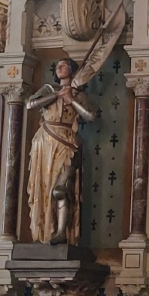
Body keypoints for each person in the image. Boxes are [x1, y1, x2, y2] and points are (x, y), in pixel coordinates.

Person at [26, 59, 97, 245]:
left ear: (72, 70)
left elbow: (90, 116)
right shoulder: (49, 88)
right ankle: (45, 232)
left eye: (64, 64)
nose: (58, 67)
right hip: (44, 143)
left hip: (66, 143)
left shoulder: (78, 94)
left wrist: (71, 99)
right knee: (43, 189)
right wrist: (57, 95)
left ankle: (61, 232)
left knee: (60, 189)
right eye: (57, 64)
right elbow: (30, 104)